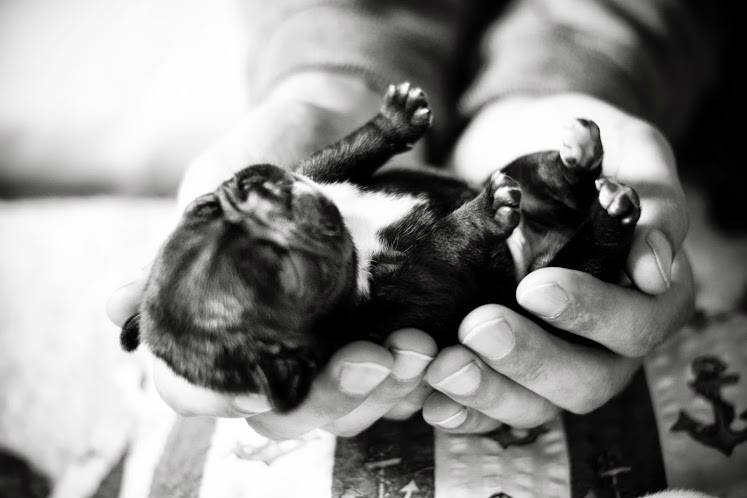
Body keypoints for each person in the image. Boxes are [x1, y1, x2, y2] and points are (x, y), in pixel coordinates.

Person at [107, 0, 727, 439]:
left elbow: (341, 160)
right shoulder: (378, 304)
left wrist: (385, 127)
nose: (259, 199)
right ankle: (604, 220)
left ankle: (572, 170)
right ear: (292, 360)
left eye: (215, 206)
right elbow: (442, 273)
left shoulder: (310, 203)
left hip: (496, 183)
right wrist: (325, 87)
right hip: (519, 266)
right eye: (272, 252)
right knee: (568, 283)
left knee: (534, 177)